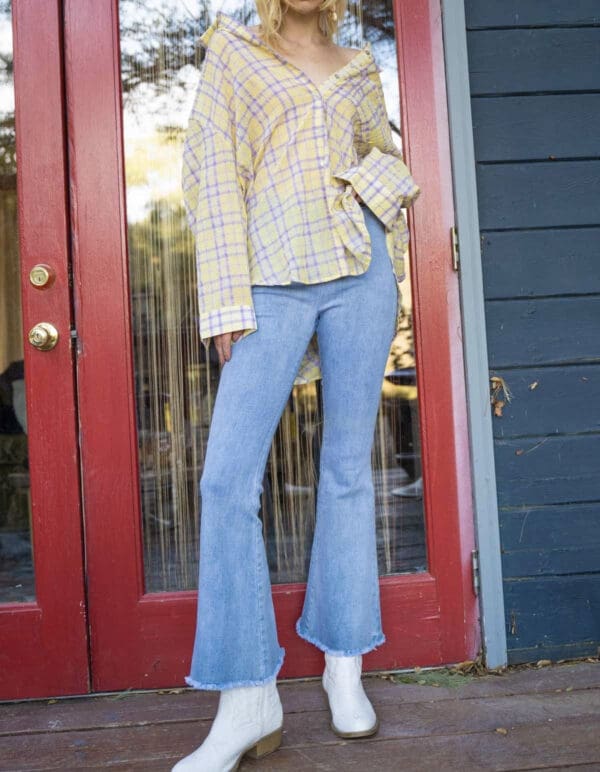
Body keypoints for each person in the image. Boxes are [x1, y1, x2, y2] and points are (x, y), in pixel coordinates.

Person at [172, 2, 420, 770]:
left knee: (348, 469)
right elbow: (210, 178)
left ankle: (345, 660)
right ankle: (248, 696)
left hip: (359, 272)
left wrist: (369, 192)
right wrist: (224, 302)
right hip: (269, 283)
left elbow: (386, 155)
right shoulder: (236, 55)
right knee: (226, 482)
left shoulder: (358, 65)